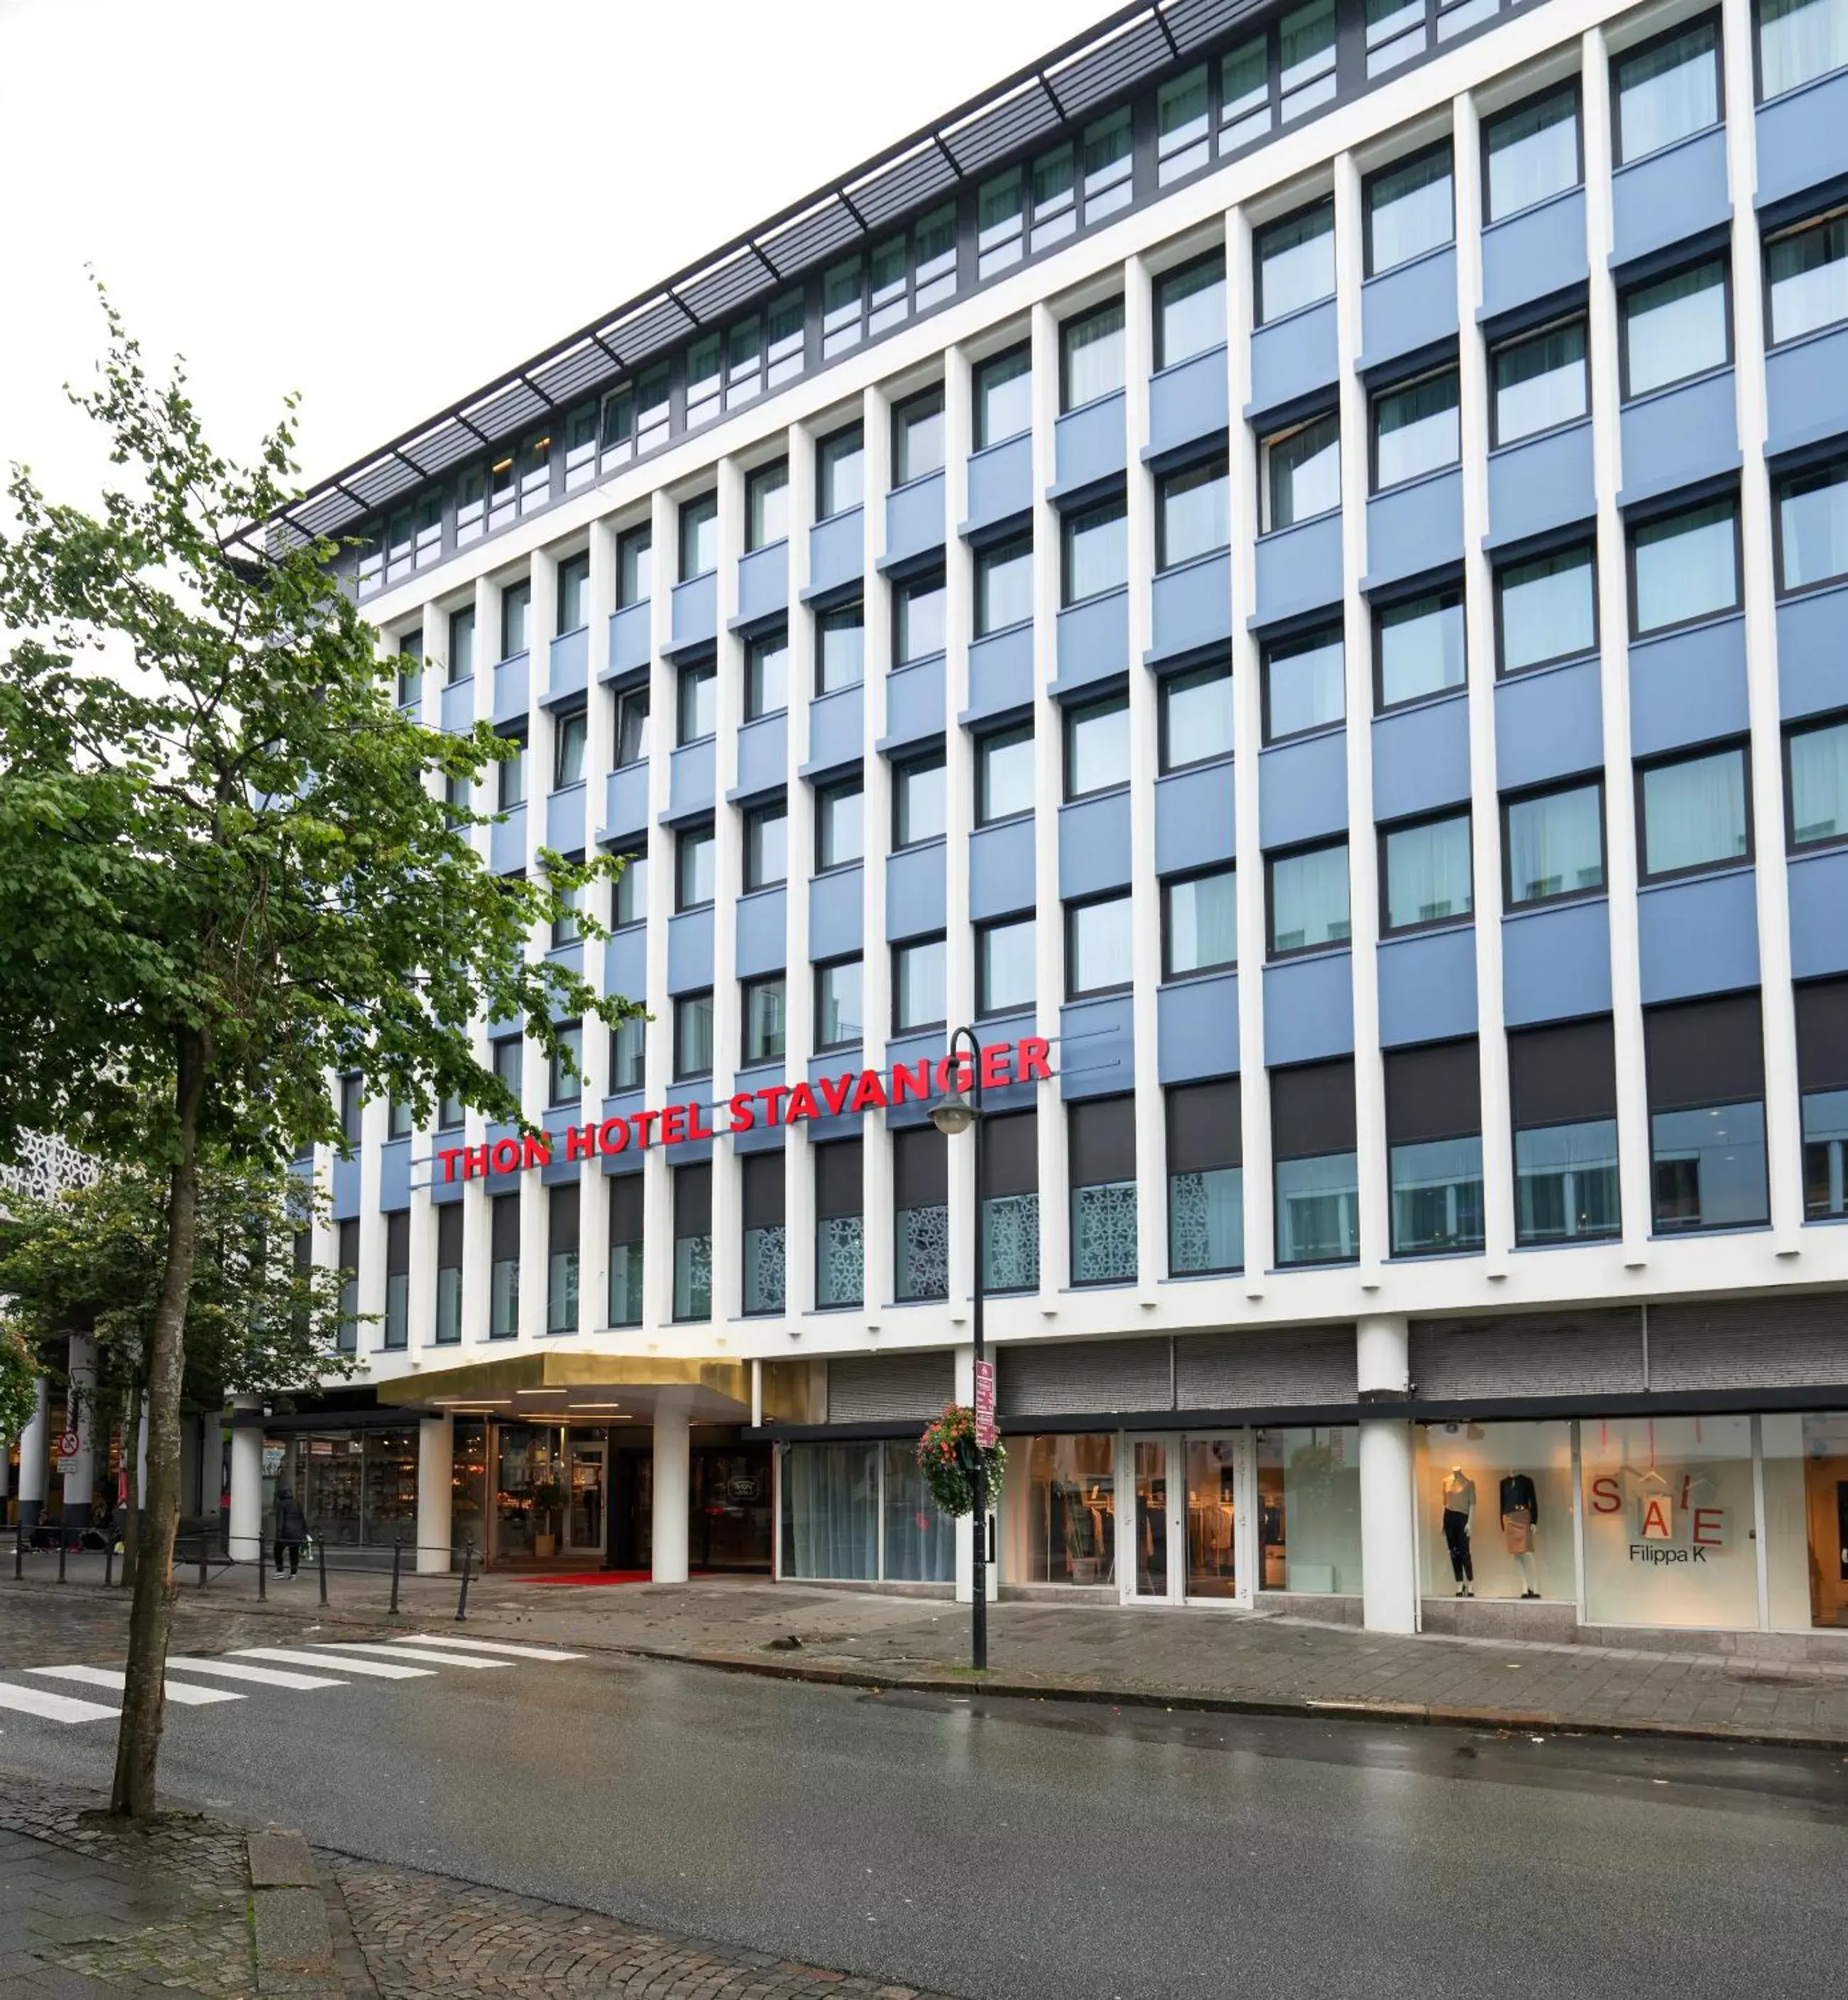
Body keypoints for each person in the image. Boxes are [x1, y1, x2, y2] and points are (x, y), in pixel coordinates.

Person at [273, 1484, 308, 1579]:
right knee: (294, 1552)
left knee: (278, 1550)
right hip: (297, 1532)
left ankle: (280, 1572)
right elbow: (302, 1518)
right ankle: (293, 1573)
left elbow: (280, 1521)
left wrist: (278, 1534)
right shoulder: (297, 1503)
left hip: (286, 1532)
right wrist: (305, 1532)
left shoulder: (281, 1504)